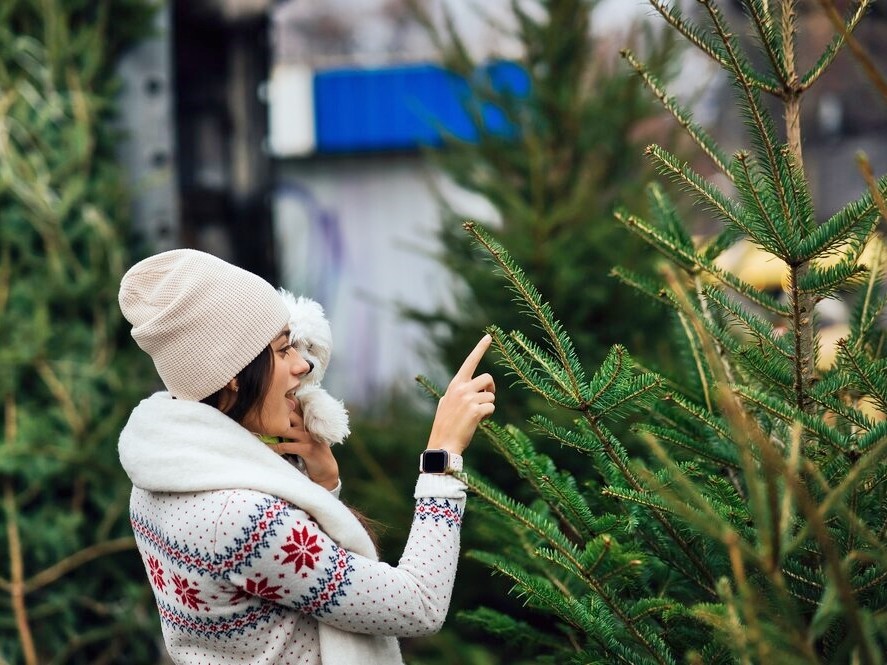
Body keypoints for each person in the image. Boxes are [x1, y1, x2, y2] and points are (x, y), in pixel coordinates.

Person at [116, 248, 495, 665]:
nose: (303, 364)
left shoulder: (162, 474)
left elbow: (290, 595)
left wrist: (320, 486)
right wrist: (443, 456)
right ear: (234, 375)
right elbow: (418, 604)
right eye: (281, 350)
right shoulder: (244, 520)